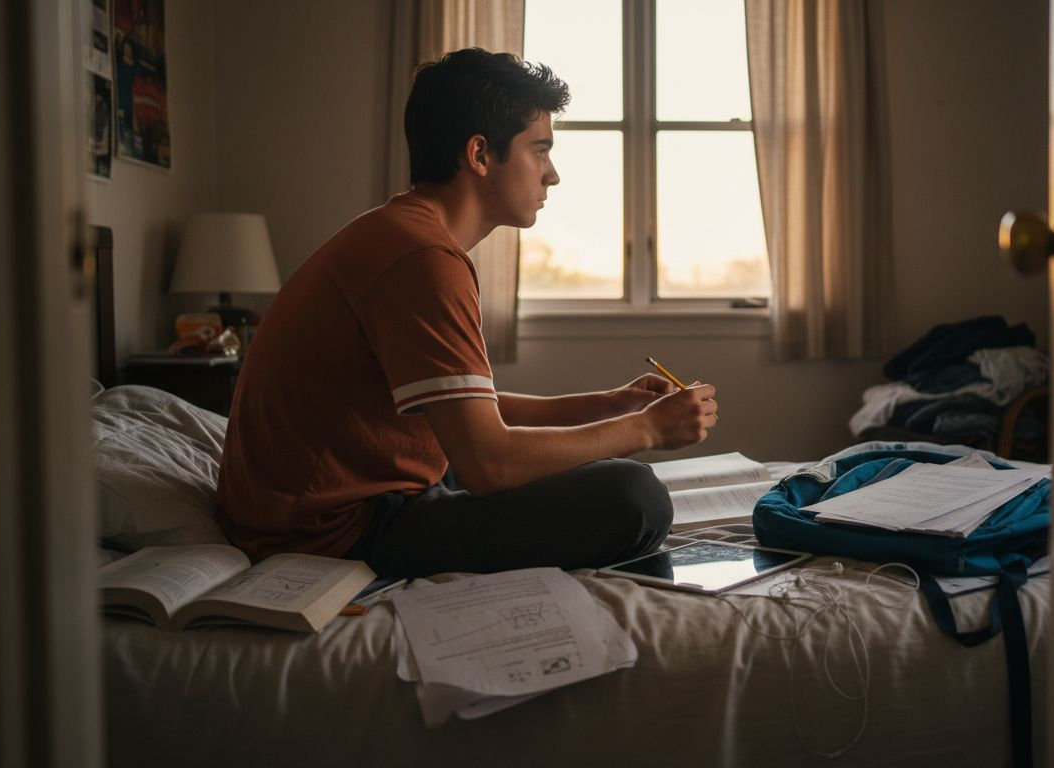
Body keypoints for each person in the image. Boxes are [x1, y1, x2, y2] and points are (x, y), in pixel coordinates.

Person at [215, 48, 718, 578]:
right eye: (540, 150)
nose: (553, 176)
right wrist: (648, 431)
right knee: (634, 495)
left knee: (595, 467)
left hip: (346, 498)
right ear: (480, 154)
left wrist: (612, 405)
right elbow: (489, 462)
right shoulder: (422, 258)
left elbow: (469, 412)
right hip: (328, 530)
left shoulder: (404, 235)